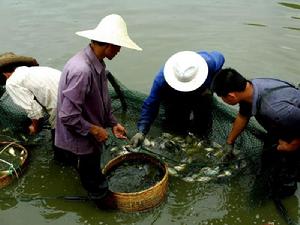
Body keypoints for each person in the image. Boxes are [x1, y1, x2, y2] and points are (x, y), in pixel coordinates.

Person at [55, 14, 142, 201]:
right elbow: (68, 117)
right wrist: (94, 130)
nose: (119, 51)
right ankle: (102, 202)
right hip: (80, 139)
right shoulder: (82, 70)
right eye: (119, 46)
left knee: (92, 169)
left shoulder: (98, 63)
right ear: (109, 45)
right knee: (94, 180)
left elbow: (101, 100)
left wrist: (112, 123)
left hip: (91, 132)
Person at [211, 68, 300, 197]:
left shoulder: (273, 109)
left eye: (222, 97)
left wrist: (291, 146)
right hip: (285, 122)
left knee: (287, 172)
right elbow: (243, 116)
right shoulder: (251, 87)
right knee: (269, 160)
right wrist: (229, 142)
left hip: (293, 127)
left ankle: (284, 193)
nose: (222, 100)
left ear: (231, 96)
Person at [130, 50, 225, 147]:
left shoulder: (209, 63)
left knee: (202, 125)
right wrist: (142, 131)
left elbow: (220, 57)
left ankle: (200, 140)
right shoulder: (162, 79)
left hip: (201, 93)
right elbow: (151, 104)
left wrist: (211, 87)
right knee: (174, 127)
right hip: (174, 96)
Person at [0, 52, 61, 136]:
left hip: (63, 111)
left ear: (4, 73)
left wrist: (34, 128)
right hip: (81, 100)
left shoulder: (12, 82)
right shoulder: (41, 70)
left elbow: (36, 113)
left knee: (59, 146)